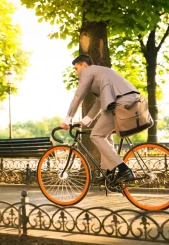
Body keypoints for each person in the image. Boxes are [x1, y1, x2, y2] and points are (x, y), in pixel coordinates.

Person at [59, 54, 140, 184]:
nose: (75, 73)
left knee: (96, 135)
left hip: (121, 103)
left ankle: (124, 169)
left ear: (84, 65)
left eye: (76, 68)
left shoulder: (89, 71)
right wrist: (84, 122)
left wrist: (67, 120)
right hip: (128, 102)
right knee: (104, 136)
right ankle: (110, 172)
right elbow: (99, 103)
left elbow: (78, 95)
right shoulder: (100, 73)